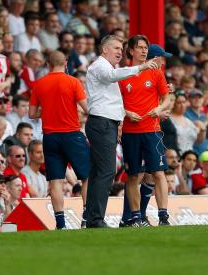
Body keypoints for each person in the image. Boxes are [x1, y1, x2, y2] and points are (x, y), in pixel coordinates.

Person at [84, 34, 157, 228]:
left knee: (99, 171)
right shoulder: (100, 66)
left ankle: (92, 217)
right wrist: (140, 67)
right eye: (116, 48)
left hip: (106, 123)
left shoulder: (108, 67)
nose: (120, 51)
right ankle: (95, 219)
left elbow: (112, 99)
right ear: (104, 49)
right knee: (106, 171)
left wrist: (118, 123)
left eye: (120, 48)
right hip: (101, 123)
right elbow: (111, 77)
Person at [29, 50, 90, 229]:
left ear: (48, 64)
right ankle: (86, 217)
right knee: (86, 177)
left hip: (50, 137)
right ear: (65, 64)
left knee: (55, 180)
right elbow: (86, 108)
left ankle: (60, 223)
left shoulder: (39, 84)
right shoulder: (73, 82)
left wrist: (48, 110)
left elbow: (32, 113)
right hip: (71, 134)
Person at [118, 38, 172, 227]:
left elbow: (166, 98)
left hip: (152, 130)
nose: (143, 50)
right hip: (130, 132)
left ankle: (163, 216)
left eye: (145, 48)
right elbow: (113, 103)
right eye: (140, 47)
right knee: (133, 175)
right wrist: (125, 112)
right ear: (131, 51)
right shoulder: (122, 75)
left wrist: (159, 109)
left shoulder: (156, 72)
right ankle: (135, 217)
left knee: (158, 172)